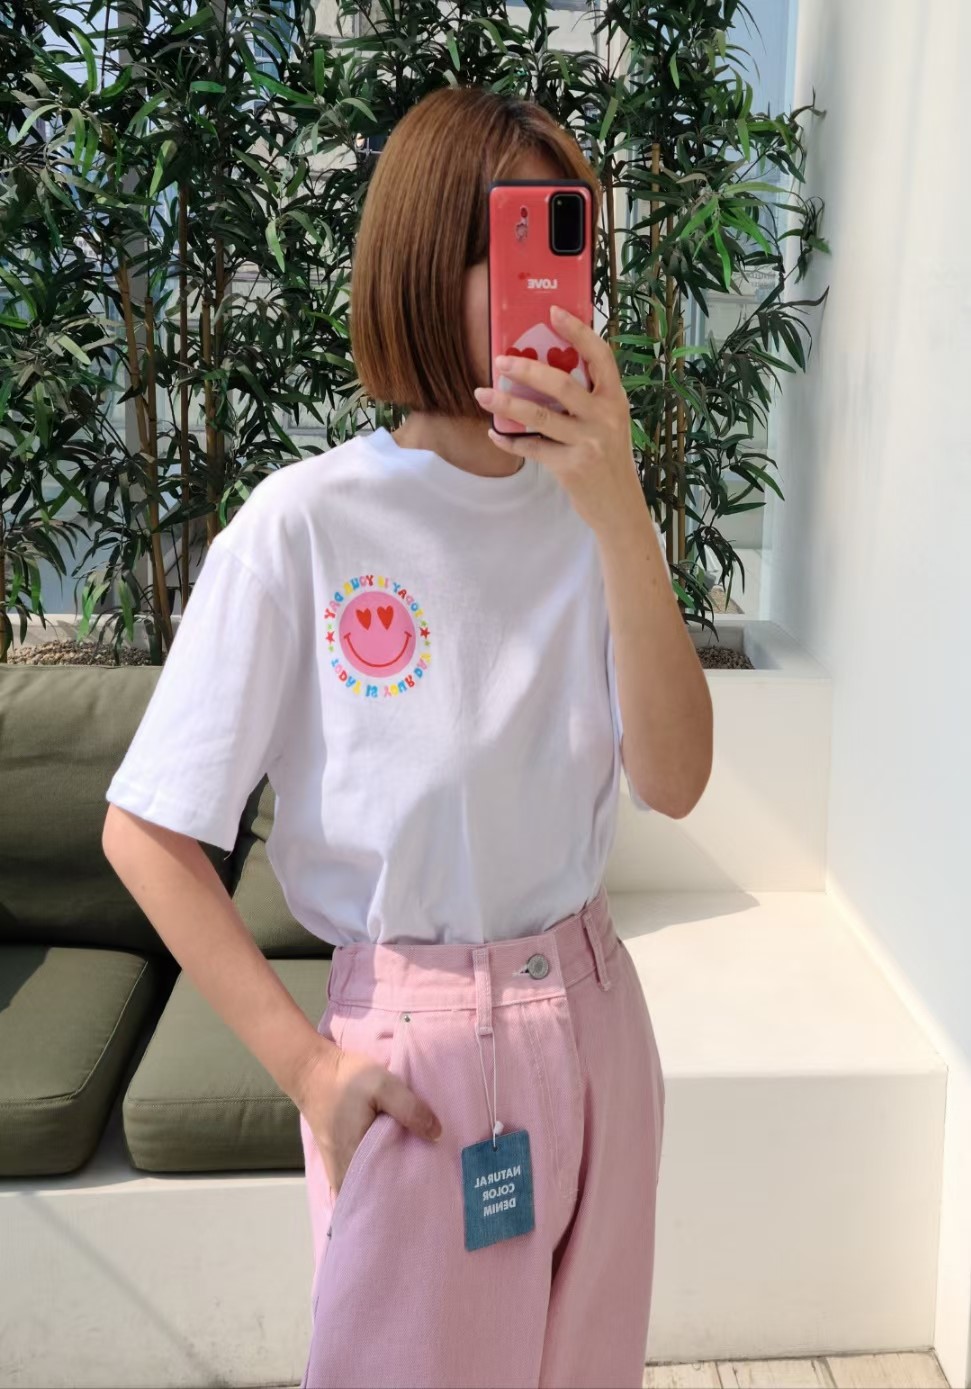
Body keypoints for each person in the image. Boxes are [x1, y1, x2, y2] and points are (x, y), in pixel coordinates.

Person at [103, 84, 712, 1389]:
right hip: (420, 1065)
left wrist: (623, 513)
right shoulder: (305, 526)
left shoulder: (595, 513)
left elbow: (675, 779)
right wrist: (309, 1070)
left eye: (570, 243)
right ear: (428, 265)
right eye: (520, 243)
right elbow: (144, 830)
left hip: (598, 1023)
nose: (556, 291)